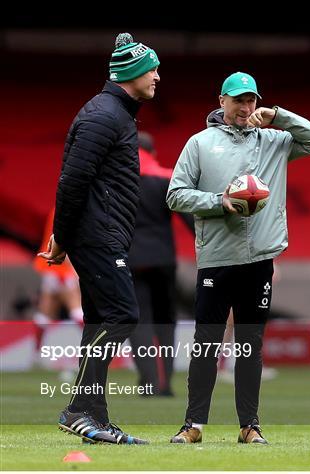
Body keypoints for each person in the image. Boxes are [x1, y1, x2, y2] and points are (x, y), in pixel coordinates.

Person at [166, 71, 310, 444]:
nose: (246, 107)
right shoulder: (200, 143)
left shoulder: (275, 141)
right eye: (238, 100)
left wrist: (279, 116)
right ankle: (193, 425)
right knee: (207, 344)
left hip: (260, 260)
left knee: (250, 346)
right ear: (221, 101)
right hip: (216, 259)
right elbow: (175, 195)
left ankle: (249, 426)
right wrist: (219, 202)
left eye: (251, 100)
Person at [38, 32, 160, 445]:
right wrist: (62, 237)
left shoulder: (115, 113)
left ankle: (94, 416)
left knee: (99, 323)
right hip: (97, 236)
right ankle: (77, 408)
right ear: (134, 73)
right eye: (153, 69)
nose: (158, 76)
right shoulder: (104, 115)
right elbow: (72, 180)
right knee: (123, 315)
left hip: (102, 234)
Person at [129, 131, 194, 396]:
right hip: (163, 260)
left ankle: (148, 382)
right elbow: (191, 220)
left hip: (130, 260)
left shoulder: (118, 180)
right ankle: (165, 382)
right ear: (153, 152)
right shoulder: (167, 178)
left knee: (139, 320)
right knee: (166, 321)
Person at [33, 208, 84, 328]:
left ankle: (37, 346)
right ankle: (103, 345)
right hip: (62, 269)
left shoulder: (57, 209)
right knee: (78, 310)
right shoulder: (70, 212)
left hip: (51, 267)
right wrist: (75, 269)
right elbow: (63, 241)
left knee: (44, 314)